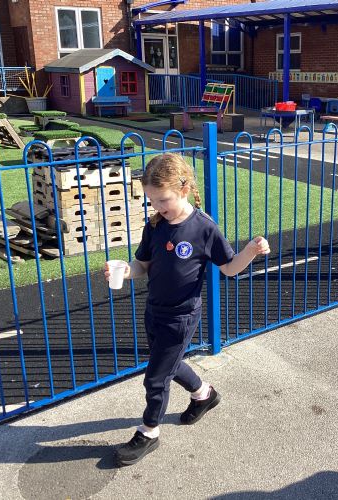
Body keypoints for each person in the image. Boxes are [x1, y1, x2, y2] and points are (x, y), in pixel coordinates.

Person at [104, 153, 270, 467]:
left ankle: (149, 431)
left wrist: (250, 250)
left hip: (181, 317)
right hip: (155, 310)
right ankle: (204, 394)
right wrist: (126, 271)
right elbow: (142, 265)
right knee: (169, 363)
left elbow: (229, 268)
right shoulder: (155, 224)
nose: (157, 207)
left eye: (162, 199)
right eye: (152, 200)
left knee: (156, 378)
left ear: (183, 189)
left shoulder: (204, 228)